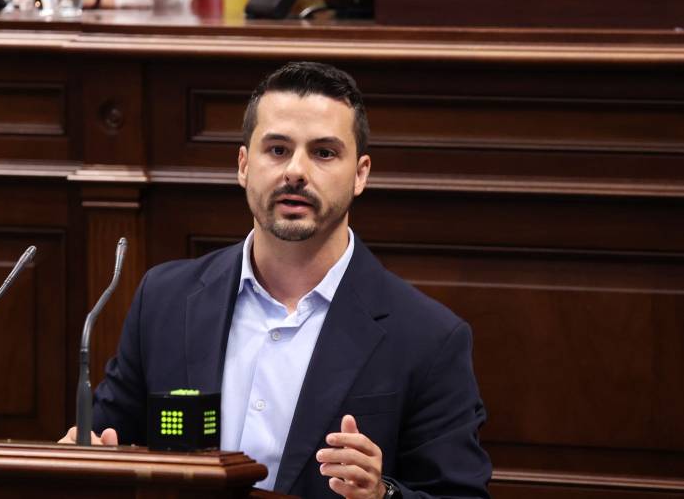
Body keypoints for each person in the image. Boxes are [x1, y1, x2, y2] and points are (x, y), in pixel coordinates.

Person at [60, 61, 491, 499]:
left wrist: (383, 495)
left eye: (324, 153)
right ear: (243, 165)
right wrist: (84, 455)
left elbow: (460, 495)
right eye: (278, 149)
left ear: (360, 174)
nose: (296, 172)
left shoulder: (428, 338)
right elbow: (106, 439)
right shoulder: (165, 300)